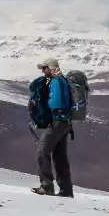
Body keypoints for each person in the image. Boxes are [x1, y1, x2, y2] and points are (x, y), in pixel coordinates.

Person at [27, 56, 74, 197]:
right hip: (65, 121)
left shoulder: (55, 81)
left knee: (42, 150)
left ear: (51, 68)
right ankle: (66, 190)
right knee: (60, 156)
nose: (43, 71)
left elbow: (55, 102)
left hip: (57, 120)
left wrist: (41, 108)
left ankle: (46, 186)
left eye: (44, 68)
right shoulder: (63, 80)